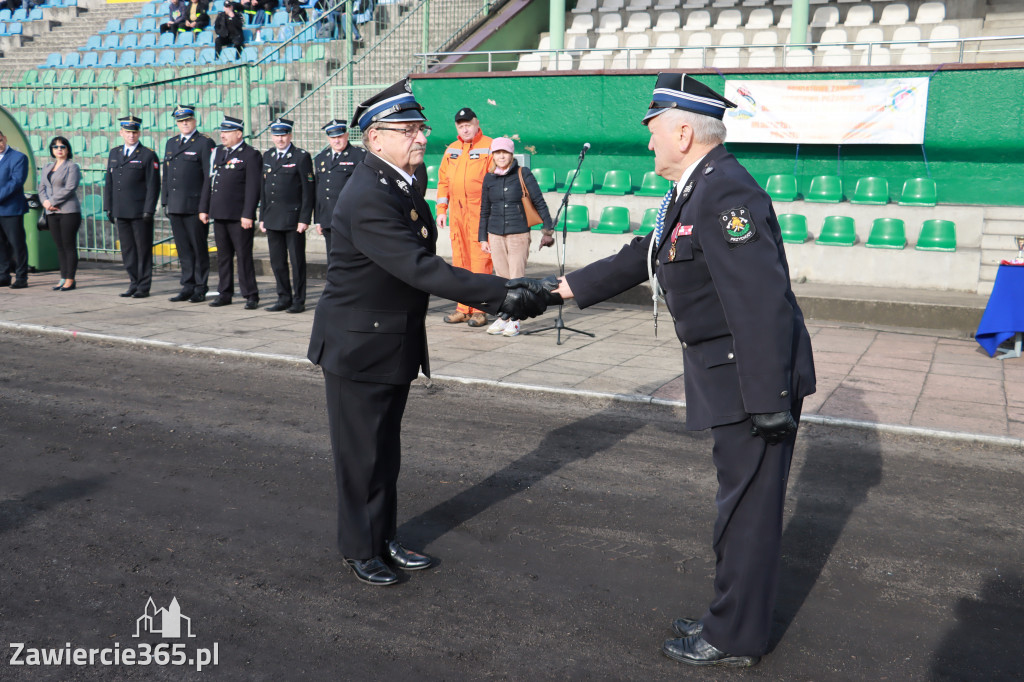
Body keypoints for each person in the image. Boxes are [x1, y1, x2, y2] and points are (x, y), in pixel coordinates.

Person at [550, 73, 816, 668]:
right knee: (737, 505)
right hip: (731, 375)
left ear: (683, 131)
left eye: (652, 131)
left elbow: (761, 297)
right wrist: (560, 290)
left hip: (752, 381)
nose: (648, 144)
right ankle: (730, 615)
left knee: (746, 514)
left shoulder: (725, 193)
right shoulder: (696, 190)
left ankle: (734, 637)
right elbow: (644, 253)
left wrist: (770, 394)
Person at [306, 78, 558, 588]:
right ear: (375, 138)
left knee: (386, 451)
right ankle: (360, 547)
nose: (421, 137)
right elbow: (420, 268)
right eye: (409, 129)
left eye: (421, 128)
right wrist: (503, 291)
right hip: (359, 345)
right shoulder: (368, 194)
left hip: (388, 339)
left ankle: (383, 535)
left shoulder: (399, 182)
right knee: (361, 455)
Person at [478, 136, 555, 337]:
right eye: (497, 153)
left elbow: (539, 202)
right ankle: (503, 316)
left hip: (518, 234)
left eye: (504, 152)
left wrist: (548, 230)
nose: (501, 156)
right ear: (492, 155)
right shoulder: (489, 178)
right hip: (495, 235)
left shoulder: (523, 173)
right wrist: (483, 237)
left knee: (517, 278)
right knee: (501, 280)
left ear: (511, 155)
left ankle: (515, 320)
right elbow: (484, 209)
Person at [435, 107, 493, 327]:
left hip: (480, 214)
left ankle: (480, 310)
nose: (465, 128)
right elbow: (443, 182)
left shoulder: (489, 146)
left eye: (468, 124)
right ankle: (463, 308)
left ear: (477, 123)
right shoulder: (452, 149)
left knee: (481, 263)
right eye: (461, 125)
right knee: (460, 264)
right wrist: (442, 210)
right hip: (458, 216)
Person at [199, 115, 262, 309]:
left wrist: (248, 214)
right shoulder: (218, 152)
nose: (223, 135)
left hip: (239, 216)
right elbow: (210, 182)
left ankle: (250, 294)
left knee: (243, 256)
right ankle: (225, 292)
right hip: (219, 213)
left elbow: (253, 187)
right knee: (223, 256)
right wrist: (204, 208)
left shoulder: (250, 154)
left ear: (239, 133)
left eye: (227, 132)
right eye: (222, 131)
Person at [162, 104, 216, 303]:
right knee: (183, 248)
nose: (184, 124)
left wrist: (205, 206)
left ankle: (200, 286)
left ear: (194, 121)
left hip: (195, 206)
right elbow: (166, 175)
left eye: (187, 120)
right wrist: (165, 201)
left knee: (198, 247)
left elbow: (208, 177)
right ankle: (187, 285)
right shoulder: (171, 143)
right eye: (181, 121)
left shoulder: (204, 143)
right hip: (176, 205)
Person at [259, 118, 314, 314]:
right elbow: (264, 189)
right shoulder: (268, 156)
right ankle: (283, 297)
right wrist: (262, 217)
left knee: (297, 262)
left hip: (293, 219)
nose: (280, 139)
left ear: (290, 135)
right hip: (272, 218)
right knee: (277, 262)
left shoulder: (301, 156)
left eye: (283, 134)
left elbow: (308, 191)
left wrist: (304, 219)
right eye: (276, 135)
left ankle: (299, 300)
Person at [103, 115, 160, 298]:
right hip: (121, 209)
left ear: (139, 133)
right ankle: (133, 282)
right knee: (127, 250)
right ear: (121, 133)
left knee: (142, 250)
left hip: (139, 211)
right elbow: (109, 182)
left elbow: (153, 185)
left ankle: (144, 286)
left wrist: (148, 210)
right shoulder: (115, 153)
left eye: (134, 132)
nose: (131, 136)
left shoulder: (147, 154)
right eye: (128, 132)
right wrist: (108, 207)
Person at [313, 118, 365, 257]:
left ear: (346, 135)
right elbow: (319, 190)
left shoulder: (359, 156)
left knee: (351, 257)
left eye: (339, 136)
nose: (336, 140)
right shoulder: (321, 158)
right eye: (332, 137)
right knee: (332, 257)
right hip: (328, 218)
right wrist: (318, 219)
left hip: (349, 218)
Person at [38, 136, 82, 291]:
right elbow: (41, 188)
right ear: (51, 150)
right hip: (51, 212)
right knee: (59, 246)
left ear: (68, 149)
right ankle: (63, 277)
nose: (59, 150)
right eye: (56, 147)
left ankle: (71, 278)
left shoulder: (72, 167)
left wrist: (53, 201)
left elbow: (70, 188)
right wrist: (45, 202)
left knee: (68, 245)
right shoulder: (47, 167)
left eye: (62, 147)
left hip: (68, 211)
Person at [0, 129, 30, 289]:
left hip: (11, 209)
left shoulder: (18, 158)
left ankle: (21, 276)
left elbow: (16, 182)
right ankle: (3, 275)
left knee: (16, 243)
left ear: (4, 138)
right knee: (0, 244)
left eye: (0, 140)